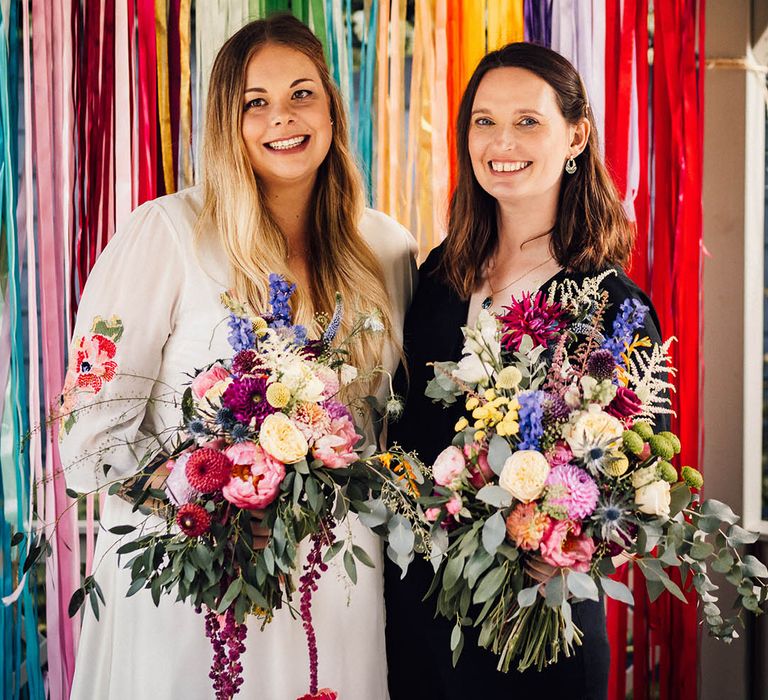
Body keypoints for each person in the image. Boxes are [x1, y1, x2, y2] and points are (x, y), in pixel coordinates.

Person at [59, 14, 416, 699]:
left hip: (337, 590)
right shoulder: (163, 234)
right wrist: (207, 505)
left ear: (332, 107)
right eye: (256, 102)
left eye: (302, 93)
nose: (283, 117)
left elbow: (385, 436)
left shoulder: (388, 249)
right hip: (196, 589)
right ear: (229, 120)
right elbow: (87, 443)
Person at [384, 42, 663, 700]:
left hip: (542, 628)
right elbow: (400, 433)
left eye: (527, 121)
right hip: (420, 624)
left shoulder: (610, 304)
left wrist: (572, 533)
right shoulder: (437, 278)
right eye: (483, 121)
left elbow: (642, 471)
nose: (500, 141)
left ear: (576, 136)